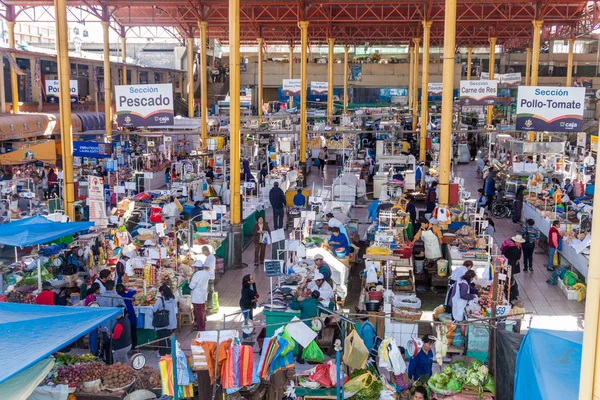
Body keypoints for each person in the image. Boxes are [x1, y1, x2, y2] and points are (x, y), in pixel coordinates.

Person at [97, 280, 125, 364]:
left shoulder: (99, 298)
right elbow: (124, 310)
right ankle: (117, 364)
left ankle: (109, 362)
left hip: (104, 325)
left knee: (107, 345)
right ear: (113, 287)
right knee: (116, 345)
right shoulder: (118, 298)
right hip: (116, 325)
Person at [289, 289, 320, 364]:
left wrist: (295, 298)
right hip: (314, 326)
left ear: (311, 295)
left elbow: (294, 306)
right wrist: (332, 303)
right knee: (313, 343)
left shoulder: (305, 302)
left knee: (302, 342)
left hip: (304, 324)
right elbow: (326, 311)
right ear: (318, 298)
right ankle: (312, 358)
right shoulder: (319, 305)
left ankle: (300, 358)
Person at [152, 284, 178, 355]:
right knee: (168, 338)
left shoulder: (160, 300)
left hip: (162, 322)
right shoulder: (173, 298)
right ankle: (169, 352)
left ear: (162, 292)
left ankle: (162, 353)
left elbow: (154, 309)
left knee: (162, 338)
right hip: (172, 322)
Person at [189, 261, 210, 331]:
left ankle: (201, 327)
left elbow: (191, 287)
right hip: (203, 295)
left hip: (197, 297)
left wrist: (187, 285)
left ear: (197, 268)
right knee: (202, 311)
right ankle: (200, 325)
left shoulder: (197, 275)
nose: (194, 269)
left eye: (194, 267)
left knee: (199, 313)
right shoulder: (206, 273)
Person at [116, 283, 138, 350]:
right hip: (131, 317)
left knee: (123, 334)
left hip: (122, 318)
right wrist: (126, 288)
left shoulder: (117, 297)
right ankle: (134, 347)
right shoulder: (128, 295)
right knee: (133, 333)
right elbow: (135, 290)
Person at [239, 274, 258, 339]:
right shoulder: (244, 290)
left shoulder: (252, 284)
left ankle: (251, 330)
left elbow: (255, 292)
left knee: (251, 318)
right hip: (245, 305)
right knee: (246, 320)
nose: (253, 280)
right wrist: (253, 300)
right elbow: (246, 300)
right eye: (251, 279)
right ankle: (245, 335)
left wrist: (255, 296)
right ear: (248, 281)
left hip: (250, 305)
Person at [85, 283, 101, 355]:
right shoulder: (93, 297)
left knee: (91, 335)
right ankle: (94, 351)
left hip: (89, 318)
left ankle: (91, 350)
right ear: (97, 289)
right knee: (94, 335)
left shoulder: (88, 296)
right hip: (93, 318)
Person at [199, 246, 216, 312]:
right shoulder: (209, 257)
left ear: (206, 251)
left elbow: (208, 268)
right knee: (209, 291)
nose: (203, 254)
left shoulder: (210, 257)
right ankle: (209, 306)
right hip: (209, 276)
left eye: (203, 252)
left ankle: (209, 307)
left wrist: (202, 267)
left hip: (209, 277)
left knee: (209, 292)